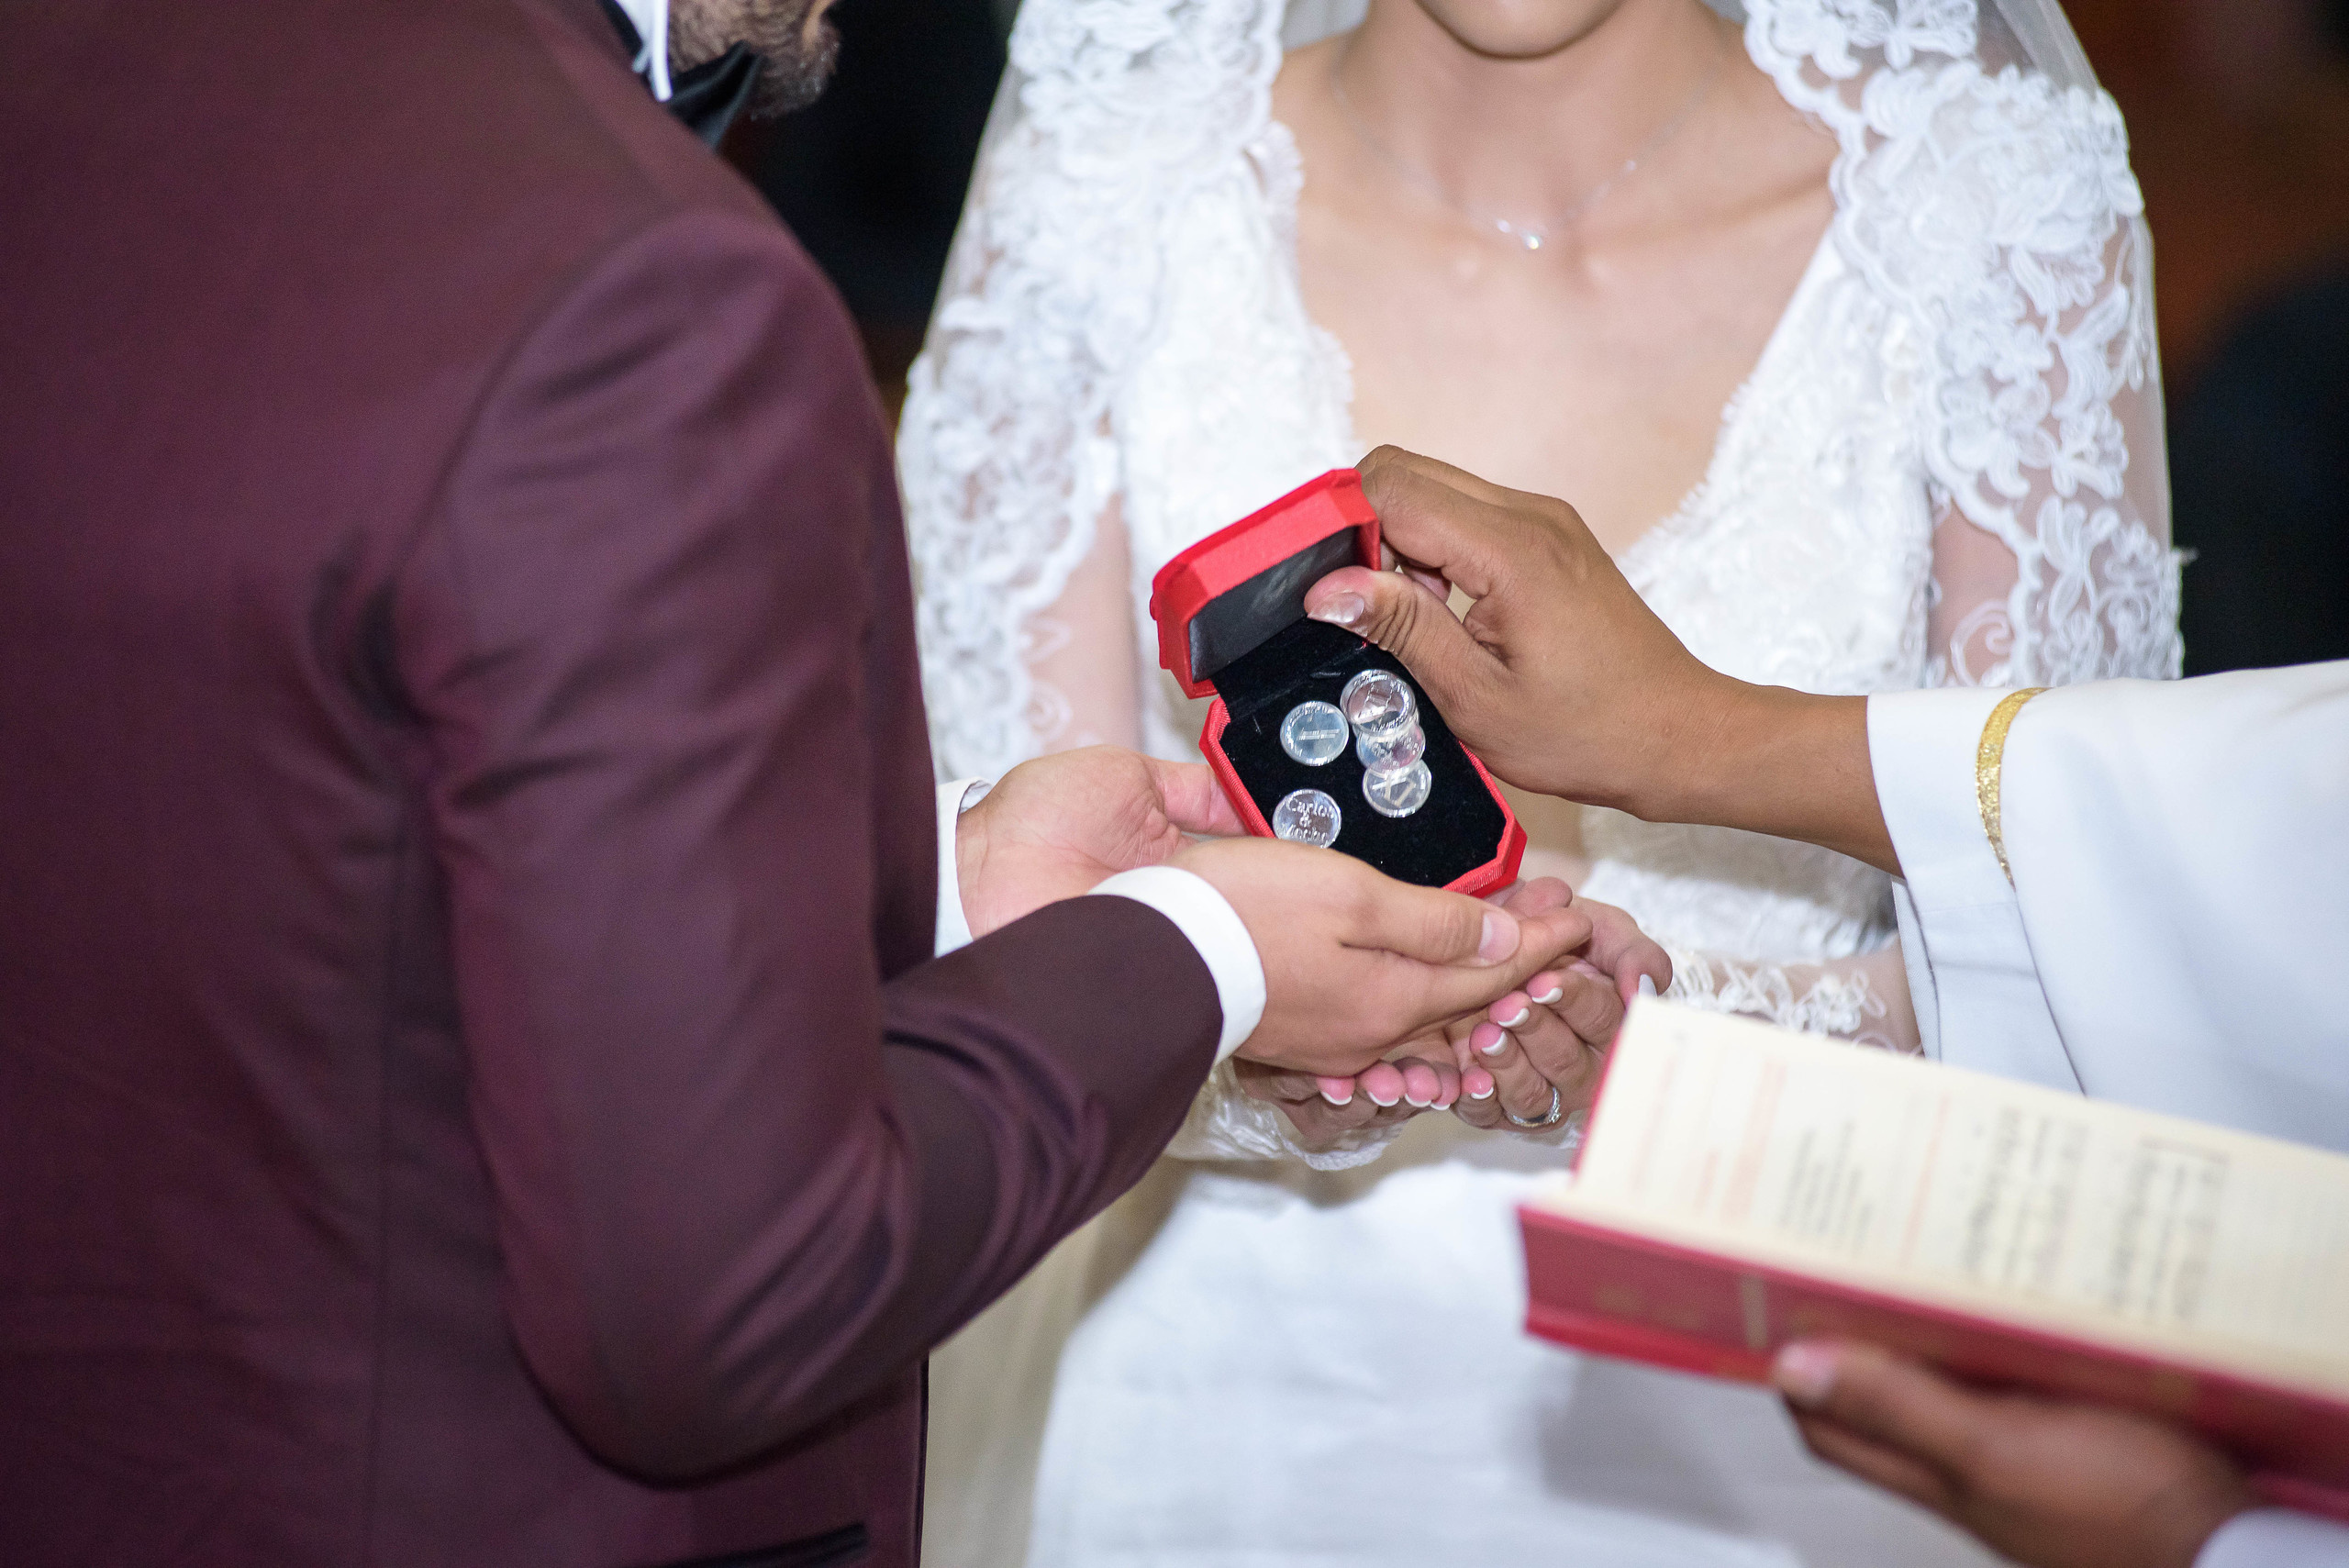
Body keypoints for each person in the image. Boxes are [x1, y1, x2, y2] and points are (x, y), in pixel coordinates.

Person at [0, 3, 1599, 1563]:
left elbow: (277, 813)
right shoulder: (631, 287)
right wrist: (1200, 948)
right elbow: (723, 1297)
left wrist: (960, 887)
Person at [898, 0, 2177, 1561]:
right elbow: (992, 935)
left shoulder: (1986, 203)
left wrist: (1669, 1025)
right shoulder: (1112, 173)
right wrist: (1248, 1027)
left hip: (1791, 1408)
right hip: (1223, 1408)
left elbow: (2078, 930)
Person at [1304, 444, 2349, 1568]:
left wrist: (1681, 790)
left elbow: (2047, 951)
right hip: (1278, 1366)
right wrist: (1239, 1019)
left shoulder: (2014, 268)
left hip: (1803, 1318)